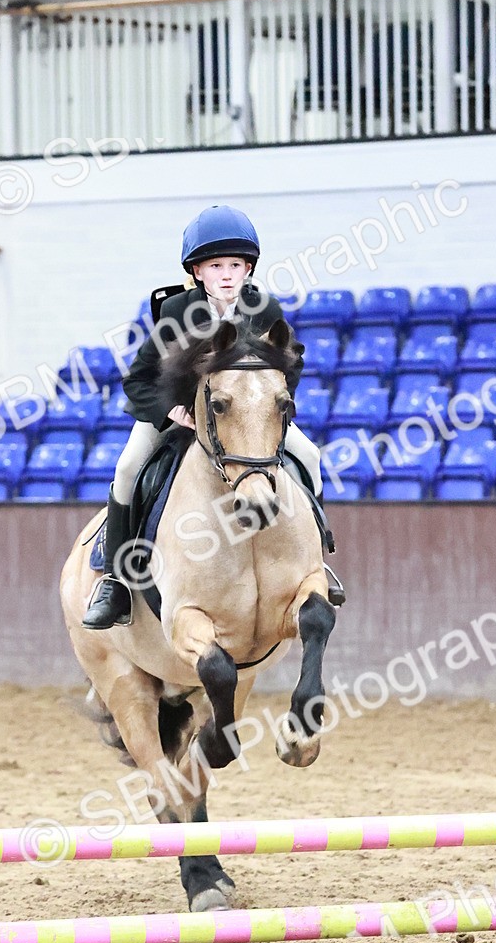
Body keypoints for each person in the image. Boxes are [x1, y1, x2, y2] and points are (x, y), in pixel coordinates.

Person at [83, 205, 344, 629]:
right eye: (216, 265)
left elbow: (290, 364)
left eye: (236, 265)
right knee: (129, 467)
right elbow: (139, 380)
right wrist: (173, 412)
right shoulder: (175, 313)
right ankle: (116, 581)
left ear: (248, 269)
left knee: (310, 456)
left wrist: (264, 407)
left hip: (245, 420)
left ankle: (315, 558)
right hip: (180, 414)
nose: (226, 274)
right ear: (197, 272)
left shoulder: (264, 309)